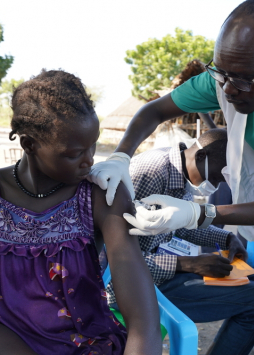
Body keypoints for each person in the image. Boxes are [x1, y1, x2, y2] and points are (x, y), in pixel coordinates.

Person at [88, 1, 254, 354]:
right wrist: (122, 155)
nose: (228, 90)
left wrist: (200, 215)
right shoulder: (153, 170)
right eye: (221, 74)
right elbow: (154, 110)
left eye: (242, 79)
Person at [0, 70, 161, 355]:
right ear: (29, 145)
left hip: (85, 345)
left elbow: (142, 321)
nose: (90, 160)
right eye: (74, 153)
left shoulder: (101, 195)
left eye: (94, 145)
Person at [103, 129, 254, 354]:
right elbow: (117, 262)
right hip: (132, 285)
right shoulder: (151, 172)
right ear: (201, 156)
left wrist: (227, 238)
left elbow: (180, 224)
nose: (219, 185)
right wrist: (189, 264)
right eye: (218, 177)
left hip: (160, 268)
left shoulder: (181, 169)